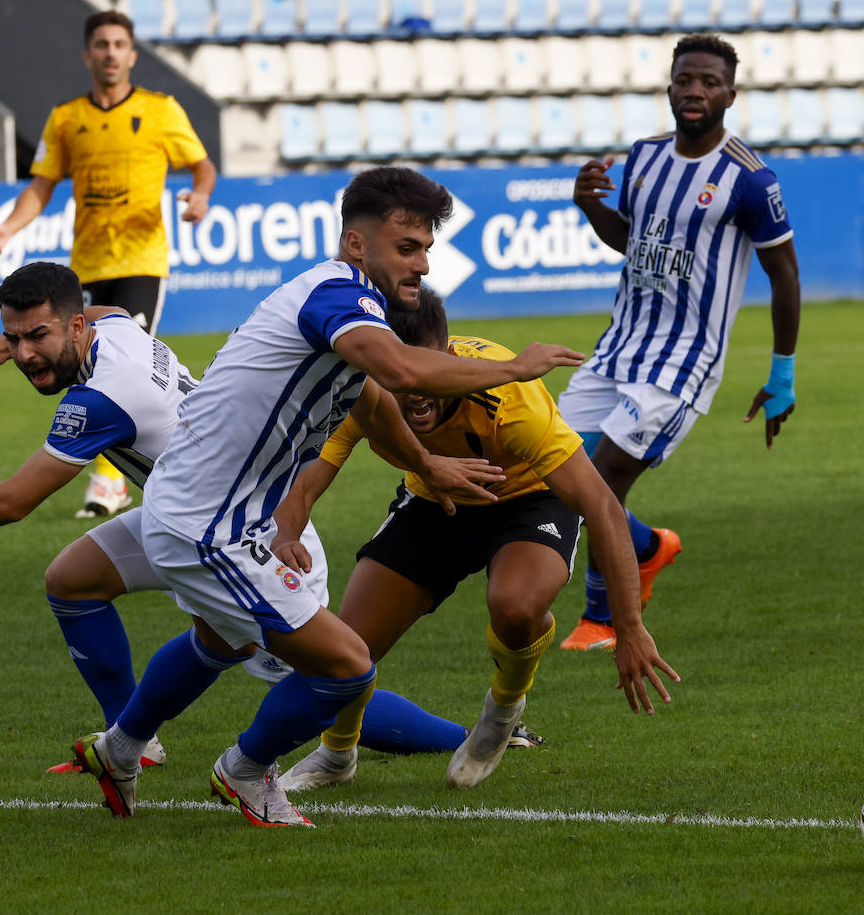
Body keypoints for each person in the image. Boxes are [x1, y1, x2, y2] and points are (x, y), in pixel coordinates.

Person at [71, 166, 586, 827]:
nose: (423, 263)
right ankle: (245, 772)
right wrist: (513, 367)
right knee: (347, 668)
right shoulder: (336, 295)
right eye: (408, 247)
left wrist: (428, 463)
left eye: (427, 248)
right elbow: (396, 370)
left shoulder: (348, 308)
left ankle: (119, 748)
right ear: (356, 245)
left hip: (216, 511)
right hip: (206, 522)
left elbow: (374, 410)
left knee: (220, 640)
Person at [0, 260, 495, 772]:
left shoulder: (103, 399)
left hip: (248, 530)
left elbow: (15, 500)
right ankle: (130, 742)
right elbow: (101, 308)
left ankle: (471, 737)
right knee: (73, 580)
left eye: (36, 337)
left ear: (74, 328)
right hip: (183, 512)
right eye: (16, 338)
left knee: (330, 677)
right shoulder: (114, 329)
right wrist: (13, 339)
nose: (23, 355)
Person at [273, 287, 679, 793]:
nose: (416, 389)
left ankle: (501, 714)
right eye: (402, 374)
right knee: (346, 646)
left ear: (448, 356)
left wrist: (629, 627)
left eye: (429, 367)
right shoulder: (360, 389)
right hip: (433, 502)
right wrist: (286, 532)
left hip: (528, 499)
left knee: (514, 606)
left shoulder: (509, 400)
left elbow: (601, 506)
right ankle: (336, 755)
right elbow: (314, 471)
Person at [558, 33, 801, 650]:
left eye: (709, 83)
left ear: (730, 94)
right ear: (670, 85)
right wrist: (590, 208)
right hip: (619, 347)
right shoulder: (642, 158)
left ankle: (603, 620)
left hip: (683, 363)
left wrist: (783, 372)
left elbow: (785, 274)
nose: (695, 92)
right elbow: (635, 245)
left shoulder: (750, 179)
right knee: (547, 466)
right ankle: (645, 547)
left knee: (602, 476)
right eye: (685, 80)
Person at [0, 9, 217, 519]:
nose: (110, 53)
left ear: (132, 55)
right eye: (101, 45)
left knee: (123, 366)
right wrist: (7, 229)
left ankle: (111, 482)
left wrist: (199, 195)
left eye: (119, 45)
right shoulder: (66, 118)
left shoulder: (161, 110)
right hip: (84, 265)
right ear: (88, 56)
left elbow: (202, 164)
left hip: (142, 260)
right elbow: (41, 185)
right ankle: (118, 471)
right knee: (80, 365)